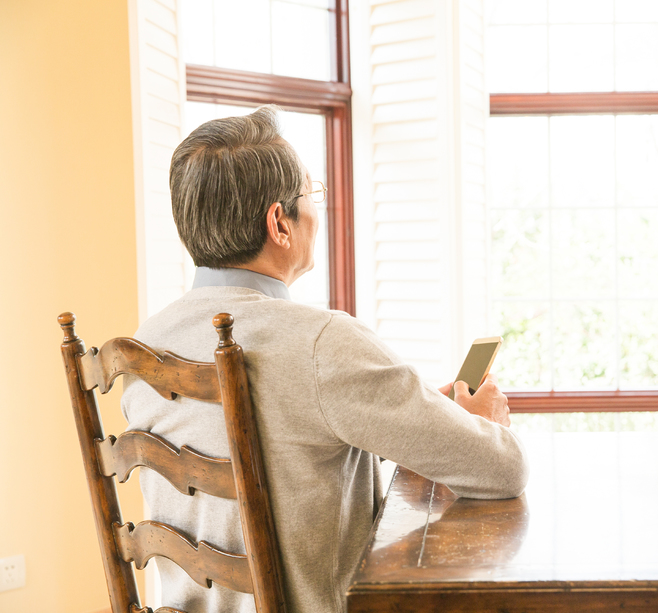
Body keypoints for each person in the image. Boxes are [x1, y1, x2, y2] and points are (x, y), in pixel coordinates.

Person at [121, 105, 529, 613]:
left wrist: (422, 420)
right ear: (279, 223)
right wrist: (482, 424)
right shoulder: (321, 343)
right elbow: (503, 470)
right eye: (311, 195)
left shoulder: (145, 346)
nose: (318, 210)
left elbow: (278, 448)